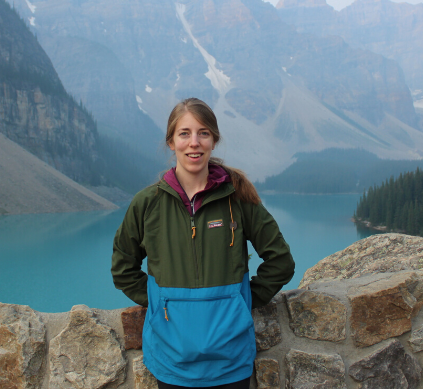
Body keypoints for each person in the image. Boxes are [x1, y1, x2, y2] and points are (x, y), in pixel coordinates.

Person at [111, 98, 295, 389]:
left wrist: (242, 300)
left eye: (203, 133)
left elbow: (281, 262)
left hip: (230, 363)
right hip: (172, 361)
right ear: (171, 142)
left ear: (214, 140)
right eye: (184, 133)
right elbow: (122, 268)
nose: (193, 143)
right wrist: (160, 303)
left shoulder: (239, 199)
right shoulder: (147, 204)